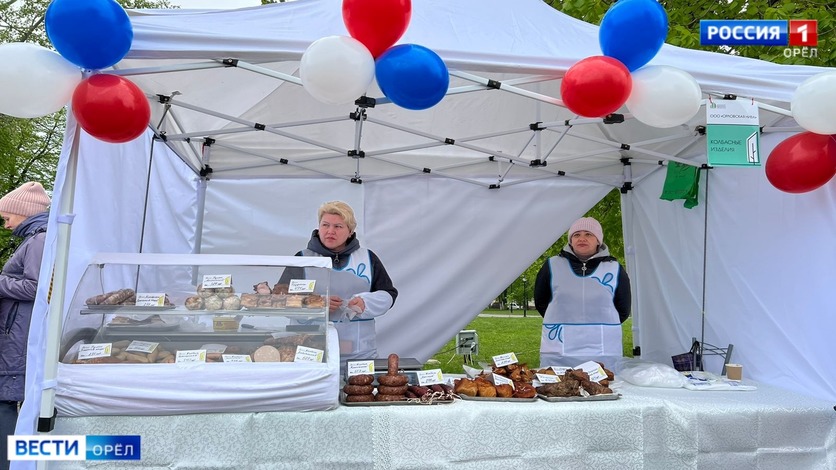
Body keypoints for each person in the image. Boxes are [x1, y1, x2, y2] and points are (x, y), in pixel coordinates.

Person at [279, 201, 397, 367]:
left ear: (350, 231)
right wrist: (317, 304)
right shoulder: (303, 259)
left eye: (338, 226)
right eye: (325, 225)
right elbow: (282, 300)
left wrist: (366, 303)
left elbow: (388, 294)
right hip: (310, 354)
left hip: (359, 354)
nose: (330, 231)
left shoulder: (367, 258)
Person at [533, 216, 631, 371]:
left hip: (603, 349)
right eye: (576, 235)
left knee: (604, 384)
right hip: (559, 348)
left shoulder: (614, 268)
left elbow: (623, 308)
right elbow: (541, 301)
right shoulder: (552, 265)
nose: (582, 238)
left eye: (588, 234)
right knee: (557, 383)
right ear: (571, 240)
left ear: (598, 240)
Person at [0, 182, 50, 470]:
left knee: (6, 401)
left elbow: (36, 287)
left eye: (7, 218)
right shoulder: (36, 238)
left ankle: (10, 463)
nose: (6, 225)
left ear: (23, 212)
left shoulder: (38, 240)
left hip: (19, 335)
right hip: (18, 332)